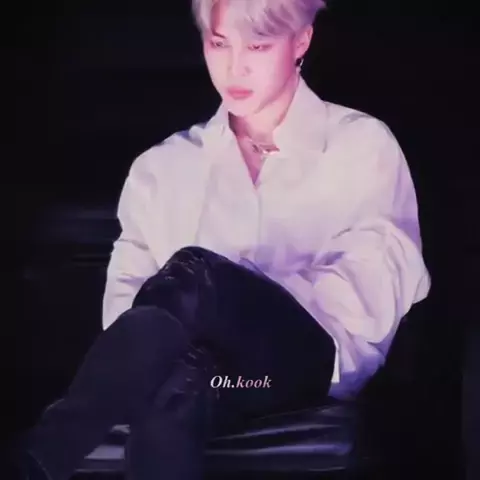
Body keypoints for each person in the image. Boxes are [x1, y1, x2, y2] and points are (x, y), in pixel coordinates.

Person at [14, 0, 431, 479]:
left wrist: (238, 302)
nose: (235, 67)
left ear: (301, 40)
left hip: (308, 367)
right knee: (177, 384)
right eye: (219, 43)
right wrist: (202, 335)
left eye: (257, 46)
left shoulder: (361, 146)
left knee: (197, 277)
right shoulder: (161, 168)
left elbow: (371, 289)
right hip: (221, 382)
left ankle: (39, 459)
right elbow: (126, 315)